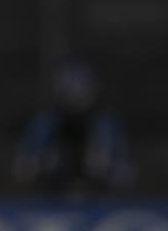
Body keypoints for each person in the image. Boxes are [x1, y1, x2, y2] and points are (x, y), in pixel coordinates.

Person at [13, 60, 136, 197]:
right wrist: (42, 164)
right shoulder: (45, 123)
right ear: (60, 92)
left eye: (82, 92)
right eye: (70, 92)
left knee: (98, 162)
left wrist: (108, 169)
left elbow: (128, 171)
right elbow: (21, 169)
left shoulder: (107, 125)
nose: (76, 99)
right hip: (51, 198)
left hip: (100, 197)